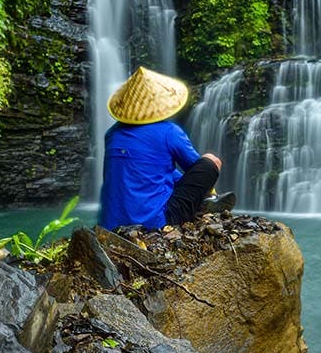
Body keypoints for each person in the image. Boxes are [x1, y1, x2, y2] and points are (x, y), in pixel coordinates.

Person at [98, 66, 235, 231]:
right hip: (154, 222)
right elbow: (196, 168)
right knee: (211, 161)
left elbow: (141, 170)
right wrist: (208, 192)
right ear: (160, 104)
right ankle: (209, 201)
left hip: (110, 222)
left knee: (161, 170)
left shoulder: (111, 134)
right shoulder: (169, 132)